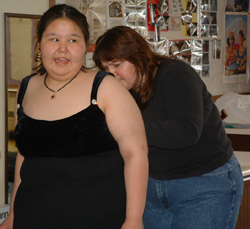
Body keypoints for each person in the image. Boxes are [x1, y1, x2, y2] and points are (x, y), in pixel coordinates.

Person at [0, 5, 148, 229]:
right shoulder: (26, 85)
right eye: (53, 39)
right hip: (32, 216)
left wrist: (134, 220)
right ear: (39, 43)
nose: (62, 50)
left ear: (86, 46)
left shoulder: (106, 88)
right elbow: (24, 154)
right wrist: (13, 214)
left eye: (72, 40)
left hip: (96, 218)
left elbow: (136, 154)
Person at [93, 25, 244, 229]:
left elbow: (187, 131)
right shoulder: (122, 91)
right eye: (105, 68)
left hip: (205, 185)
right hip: (154, 186)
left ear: (138, 55)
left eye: (117, 64)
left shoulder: (174, 73)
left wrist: (126, 128)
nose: (111, 74)